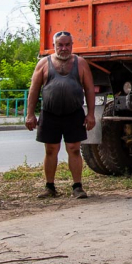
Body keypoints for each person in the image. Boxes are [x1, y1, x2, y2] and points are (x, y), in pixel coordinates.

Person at [25, 31, 95, 199]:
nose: (64, 48)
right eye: (60, 45)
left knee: (74, 149)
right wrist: (30, 115)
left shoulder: (80, 63)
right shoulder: (43, 63)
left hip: (74, 114)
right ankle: (50, 187)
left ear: (72, 45)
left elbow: (90, 89)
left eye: (67, 45)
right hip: (50, 114)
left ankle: (77, 187)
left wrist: (91, 114)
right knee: (51, 150)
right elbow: (34, 90)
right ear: (54, 45)